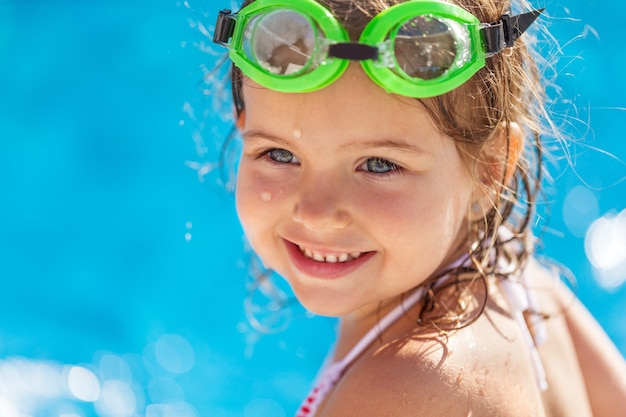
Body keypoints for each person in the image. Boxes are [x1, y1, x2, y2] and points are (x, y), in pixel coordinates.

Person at [211, 0, 626, 415]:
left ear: (489, 171)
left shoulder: (404, 390)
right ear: (242, 124)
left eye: (379, 165)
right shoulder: (519, 277)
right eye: (280, 154)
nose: (316, 213)